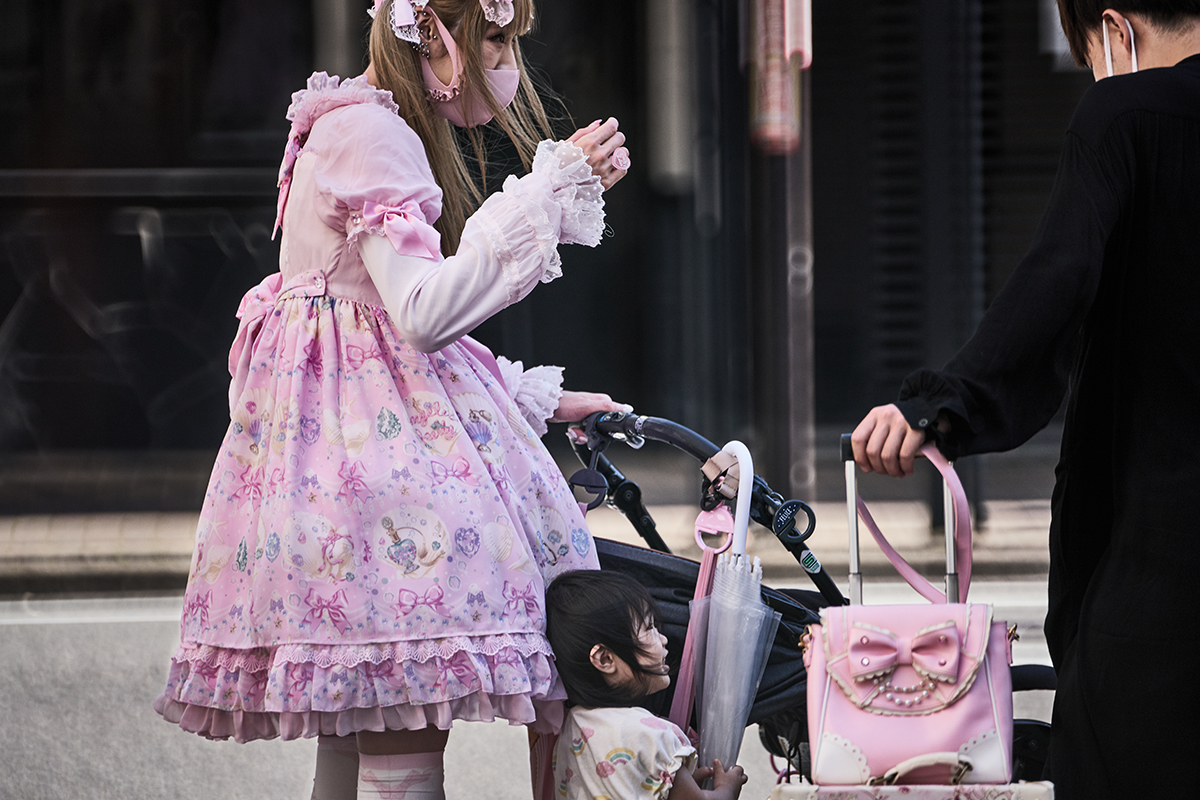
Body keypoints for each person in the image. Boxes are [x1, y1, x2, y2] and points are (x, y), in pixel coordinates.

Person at [153, 0, 635, 797]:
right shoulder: (373, 135)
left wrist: (528, 398)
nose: (508, 65)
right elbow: (420, 316)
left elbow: (369, 331)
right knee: (399, 760)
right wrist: (545, 196)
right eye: (495, 39)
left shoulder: (344, 124)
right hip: (380, 497)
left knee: (354, 750)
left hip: (335, 481)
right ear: (435, 33)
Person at [850, 3, 1200, 797]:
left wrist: (940, 407)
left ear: (1115, 29)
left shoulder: (1125, 114)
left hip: (1163, 554)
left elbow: (1057, 281)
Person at [544, 570, 748, 800]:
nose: (664, 639)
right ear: (605, 659)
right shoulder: (650, 735)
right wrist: (727, 789)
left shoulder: (572, 729)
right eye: (650, 627)